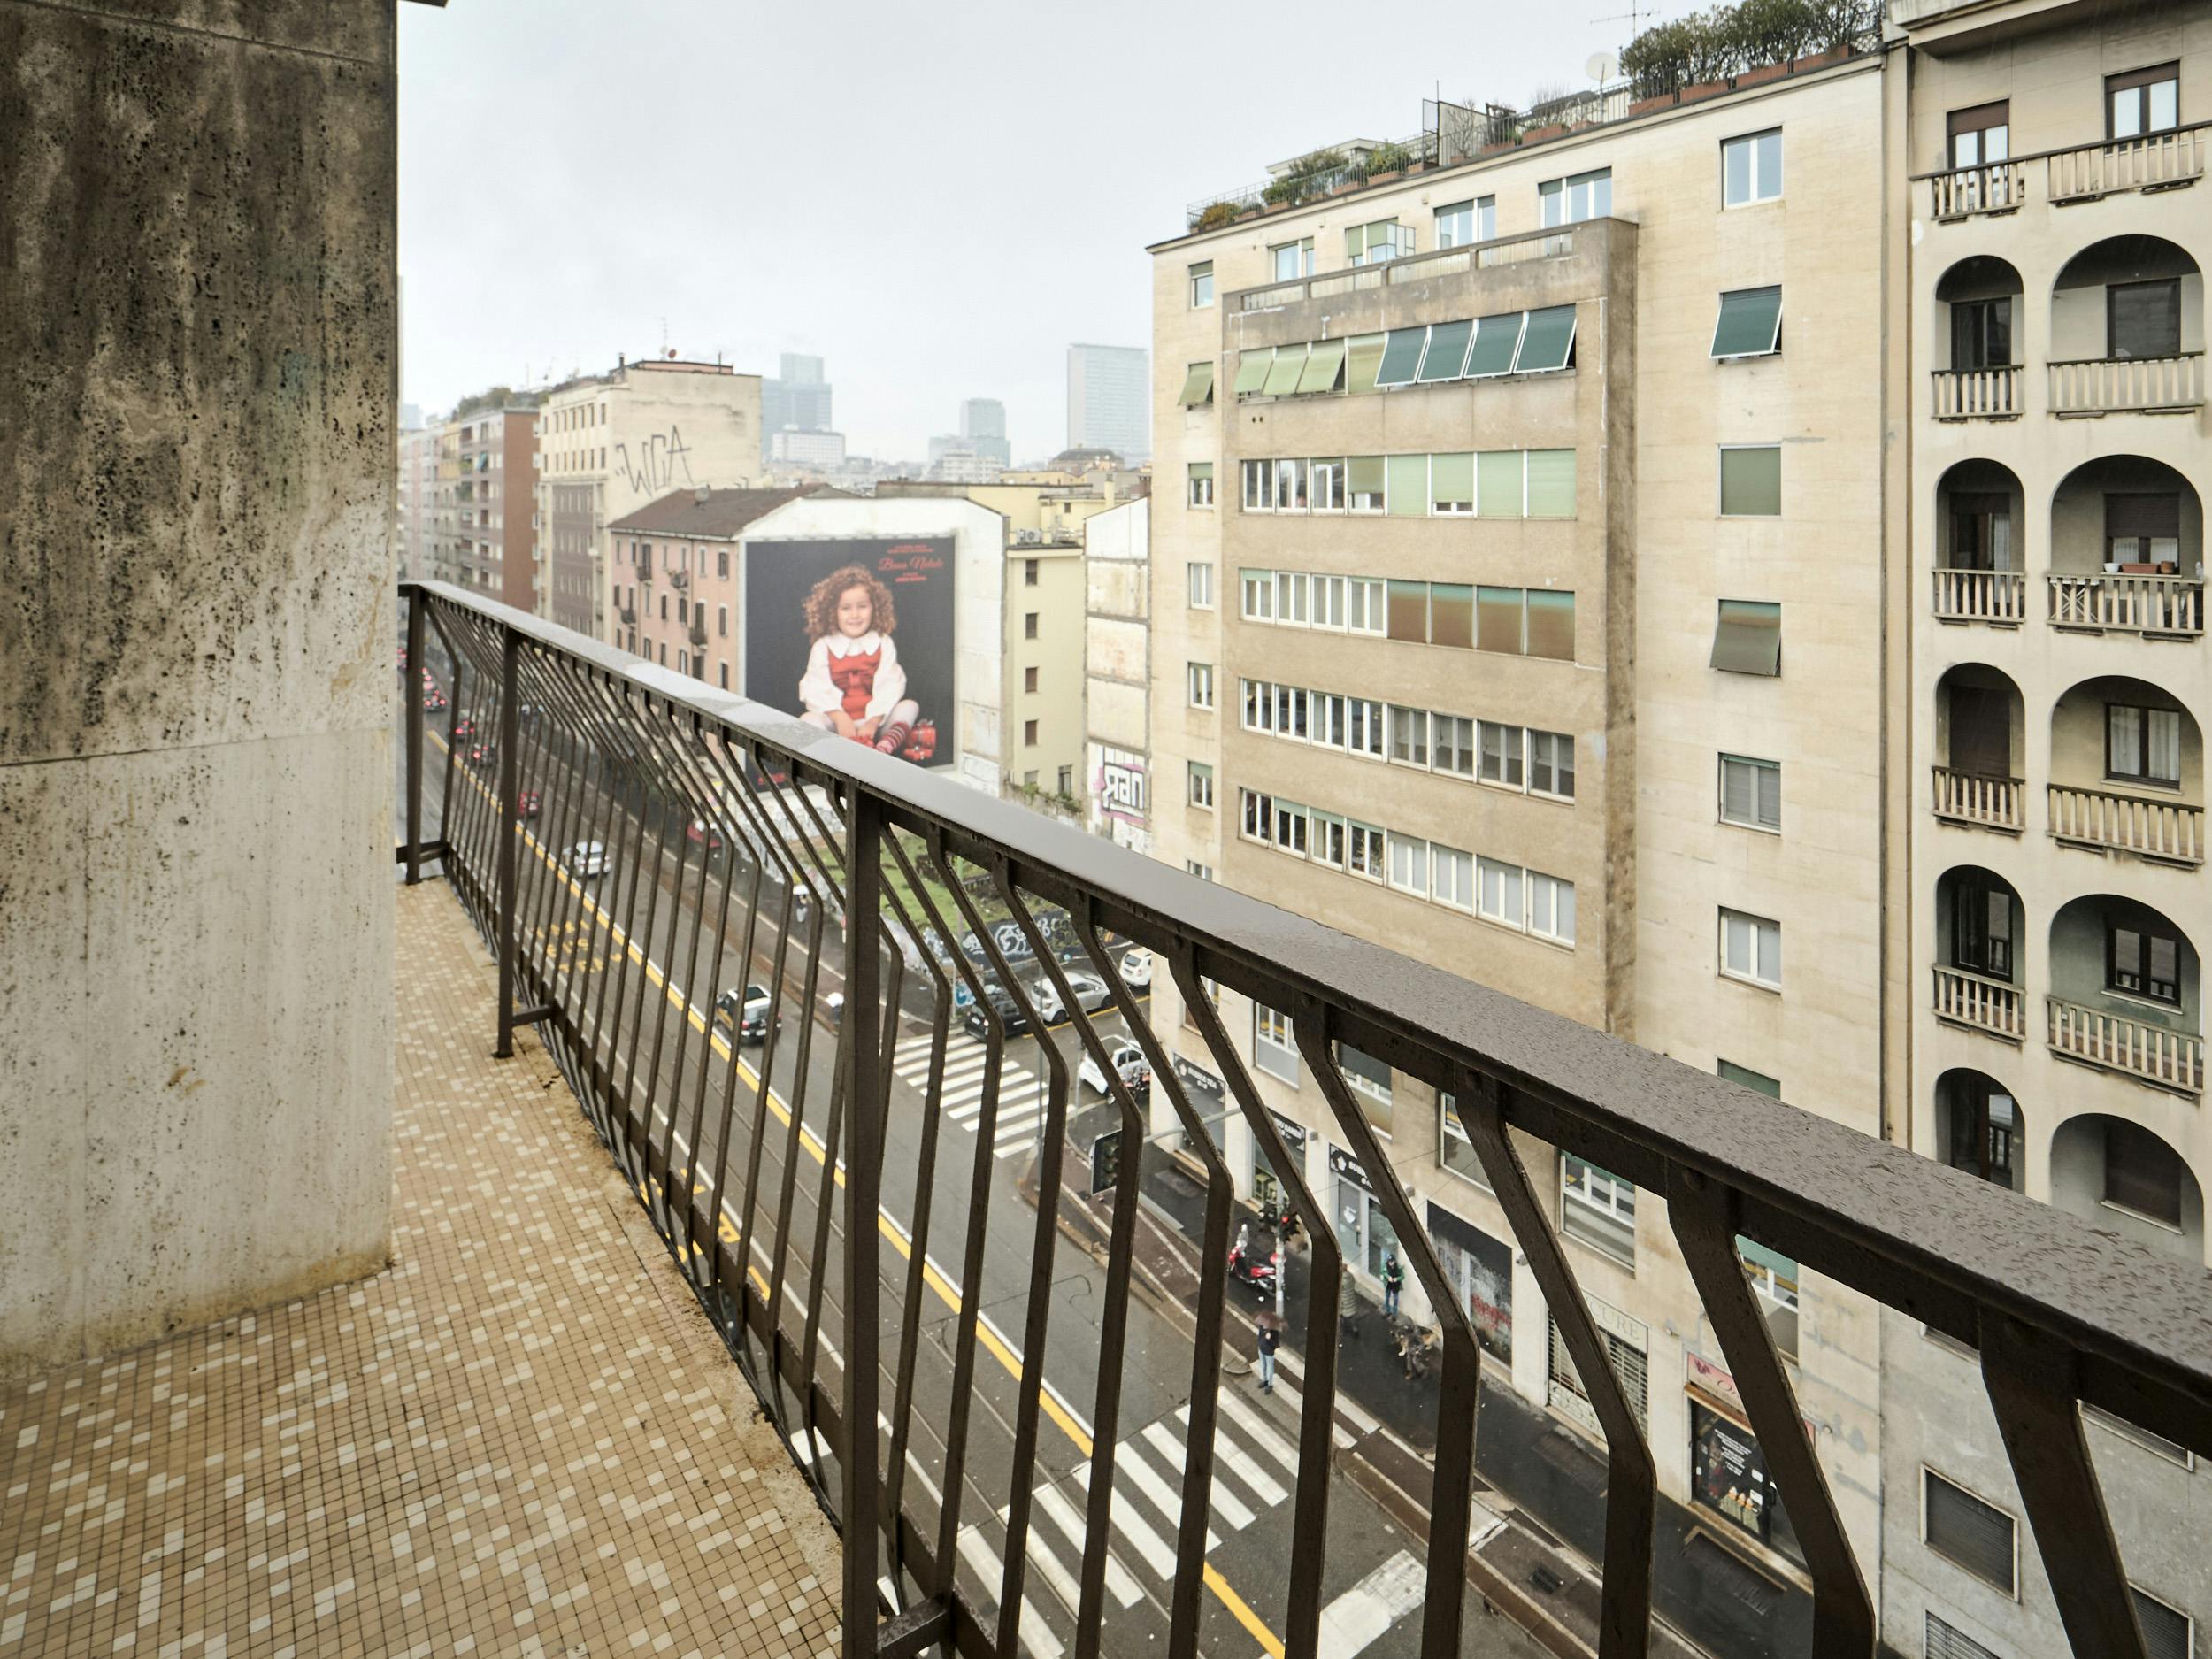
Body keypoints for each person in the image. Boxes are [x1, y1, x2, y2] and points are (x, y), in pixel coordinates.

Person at [796, 565, 924, 752]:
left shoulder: (882, 642)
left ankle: (885, 745)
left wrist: (872, 722)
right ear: (832, 611)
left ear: (875, 608)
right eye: (846, 608)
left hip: (875, 723)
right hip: (837, 724)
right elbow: (816, 687)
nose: (855, 615)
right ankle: (834, 752)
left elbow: (890, 685)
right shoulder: (823, 646)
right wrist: (840, 718)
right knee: (808, 720)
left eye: (862, 606)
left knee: (909, 706)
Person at [1255, 1313, 1280, 1394]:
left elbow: (1276, 1345)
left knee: (1270, 1369)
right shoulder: (1262, 1327)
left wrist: (1269, 1338)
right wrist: (1259, 1343)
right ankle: (1265, 1380)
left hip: (1269, 1353)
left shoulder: (1275, 1332)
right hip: (1261, 1350)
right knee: (1263, 1366)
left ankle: (1270, 1385)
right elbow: (1260, 1335)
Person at [1382, 1251, 1404, 1317]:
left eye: (1391, 1262)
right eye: (1389, 1262)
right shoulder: (1385, 1265)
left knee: (1395, 1300)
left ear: (1394, 1261)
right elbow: (1382, 1272)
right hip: (1388, 1284)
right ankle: (1388, 1311)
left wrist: (1397, 1279)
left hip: (1395, 1285)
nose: (1390, 1263)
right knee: (1387, 1298)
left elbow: (1403, 1276)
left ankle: (1394, 1314)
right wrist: (1388, 1277)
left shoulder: (1398, 1267)